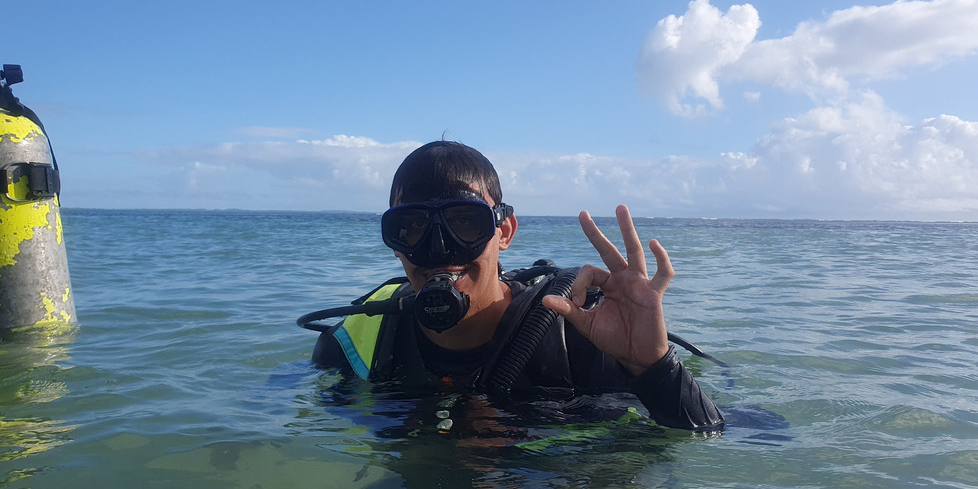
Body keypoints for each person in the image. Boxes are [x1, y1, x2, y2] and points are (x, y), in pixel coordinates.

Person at [310, 141, 723, 432]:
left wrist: (653, 368)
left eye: (465, 222)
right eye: (412, 227)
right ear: (394, 244)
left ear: (503, 231)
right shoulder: (356, 342)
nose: (438, 249)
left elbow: (721, 436)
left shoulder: (584, 333)